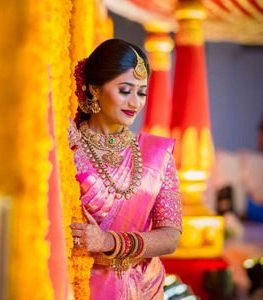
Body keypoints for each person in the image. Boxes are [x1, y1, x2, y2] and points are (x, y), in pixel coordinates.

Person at [69, 39, 183, 299]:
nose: (135, 102)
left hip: (143, 285)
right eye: (125, 90)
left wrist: (109, 241)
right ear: (94, 89)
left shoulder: (157, 154)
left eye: (141, 92)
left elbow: (170, 237)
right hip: (83, 285)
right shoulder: (70, 148)